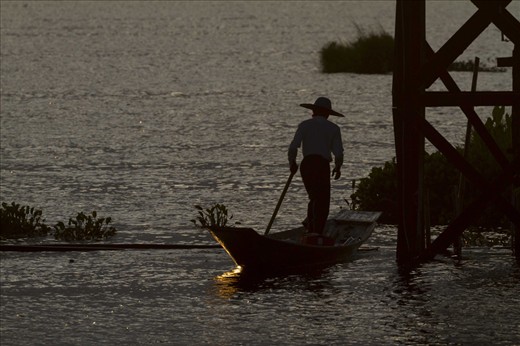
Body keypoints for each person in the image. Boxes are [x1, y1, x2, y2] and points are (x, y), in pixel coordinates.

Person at [288, 97, 344, 235]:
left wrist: (292, 162)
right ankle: (315, 231)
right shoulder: (333, 128)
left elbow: (293, 146)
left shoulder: (304, 125)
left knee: (314, 197)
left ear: (314, 111)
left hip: (307, 165)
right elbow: (338, 152)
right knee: (321, 199)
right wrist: (338, 167)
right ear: (327, 113)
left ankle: (311, 226)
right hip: (321, 165)